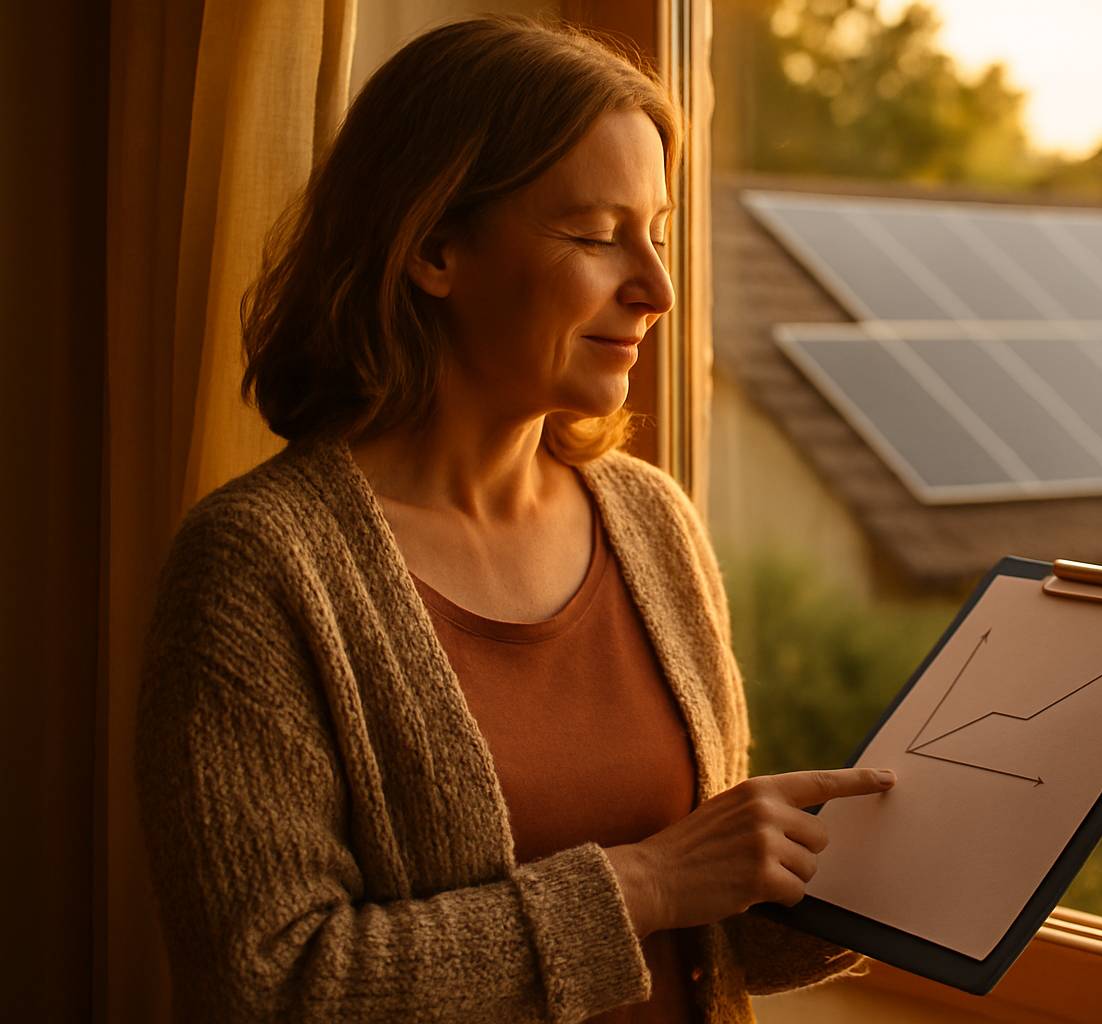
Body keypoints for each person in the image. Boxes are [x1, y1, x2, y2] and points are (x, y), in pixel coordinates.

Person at [134, 14, 898, 1023]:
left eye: (657, 235)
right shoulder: (259, 566)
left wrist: (908, 871)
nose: (657, 288)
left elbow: (704, 930)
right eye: (594, 235)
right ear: (435, 246)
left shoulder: (652, 521)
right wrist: (646, 882)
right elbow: (269, 983)